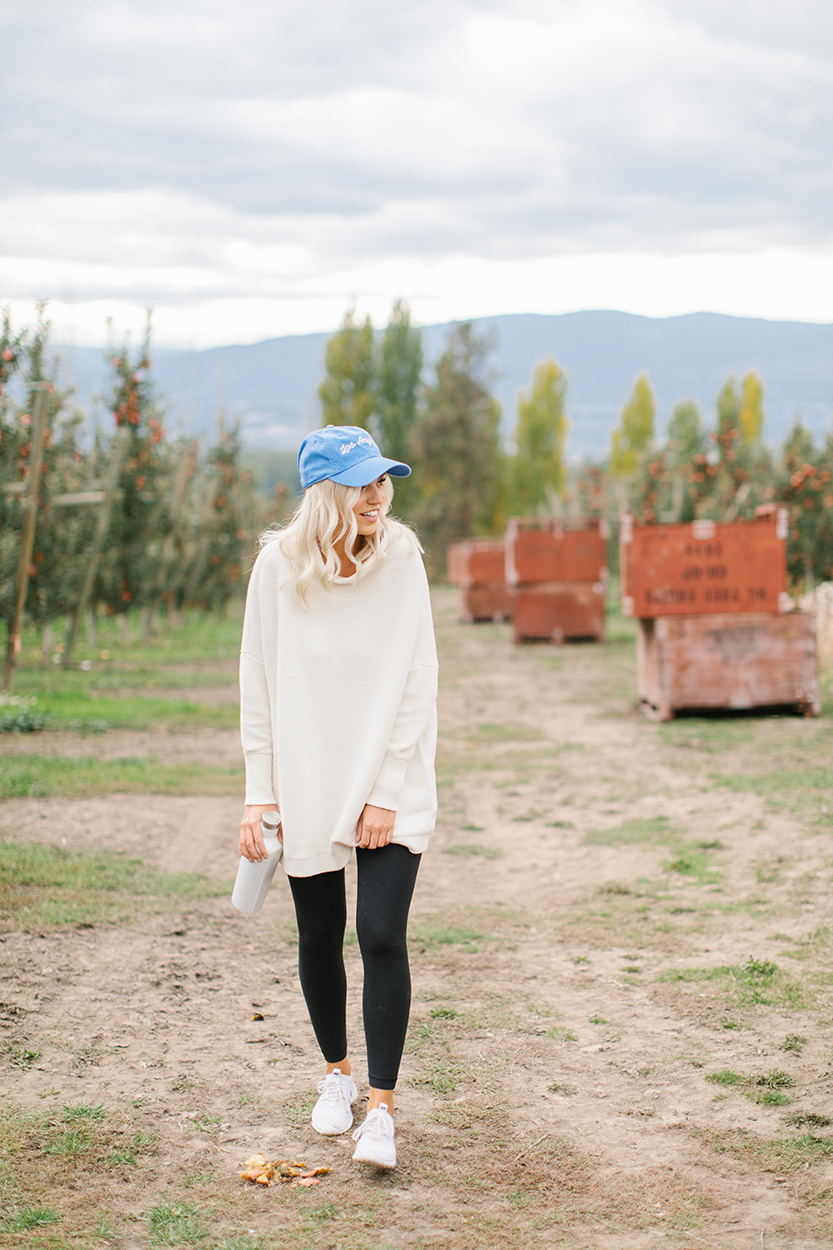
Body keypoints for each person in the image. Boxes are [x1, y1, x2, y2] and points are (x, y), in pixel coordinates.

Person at [238, 424, 438, 1169]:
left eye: (383, 481)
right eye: (362, 483)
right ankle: (336, 1076)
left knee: (381, 933)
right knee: (318, 936)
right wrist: (260, 794)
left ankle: (381, 1112)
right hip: (307, 773)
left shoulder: (402, 556)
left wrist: (385, 791)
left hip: (392, 773)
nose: (377, 496)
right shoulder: (275, 569)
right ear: (326, 493)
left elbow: (417, 677)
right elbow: (256, 684)